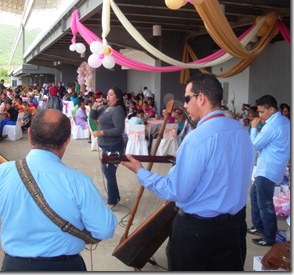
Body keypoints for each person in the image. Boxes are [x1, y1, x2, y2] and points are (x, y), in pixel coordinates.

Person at [121, 73, 254, 271]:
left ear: (201, 98)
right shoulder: (241, 131)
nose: (185, 106)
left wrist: (141, 172)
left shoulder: (197, 139)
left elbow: (177, 191)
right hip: (235, 226)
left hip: (199, 232)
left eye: (187, 98)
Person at [0, 109, 117, 271]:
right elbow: (105, 229)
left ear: (29, 135)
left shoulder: (3, 173)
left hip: (16, 266)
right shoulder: (79, 182)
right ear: (67, 141)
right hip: (65, 266)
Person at [247, 95, 290, 246]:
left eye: (262, 112)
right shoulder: (284, 121)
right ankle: (259, 227)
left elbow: (253, 146)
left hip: (267, 169)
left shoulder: (272, 126)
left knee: (265, 204)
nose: (259, 115)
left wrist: (253, 129)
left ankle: (269, 237)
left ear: (271, 109)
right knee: (254, 196)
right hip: (272, 167)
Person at [89, 87, 126, 209]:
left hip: (113, 146)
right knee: (108, 172)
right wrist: (94, 106)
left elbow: (119, 130)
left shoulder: (117, 110)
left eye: (111, 95)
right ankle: (115, 196)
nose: (107, 97)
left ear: (118, 98)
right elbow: (93, 116)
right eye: (108, 94)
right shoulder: (106, 108)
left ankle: (112, 201)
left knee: (109, 172)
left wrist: (102, 133)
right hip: (106, 146)